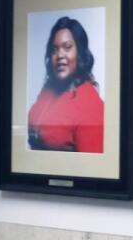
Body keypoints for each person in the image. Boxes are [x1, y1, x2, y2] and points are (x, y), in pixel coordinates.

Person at [27, 16, 104, 153]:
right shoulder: (48, 90)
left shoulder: (91, 104)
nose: (60, 55)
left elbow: (91, 169)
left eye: (67, 47)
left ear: (80, 53)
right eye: (54, 49)